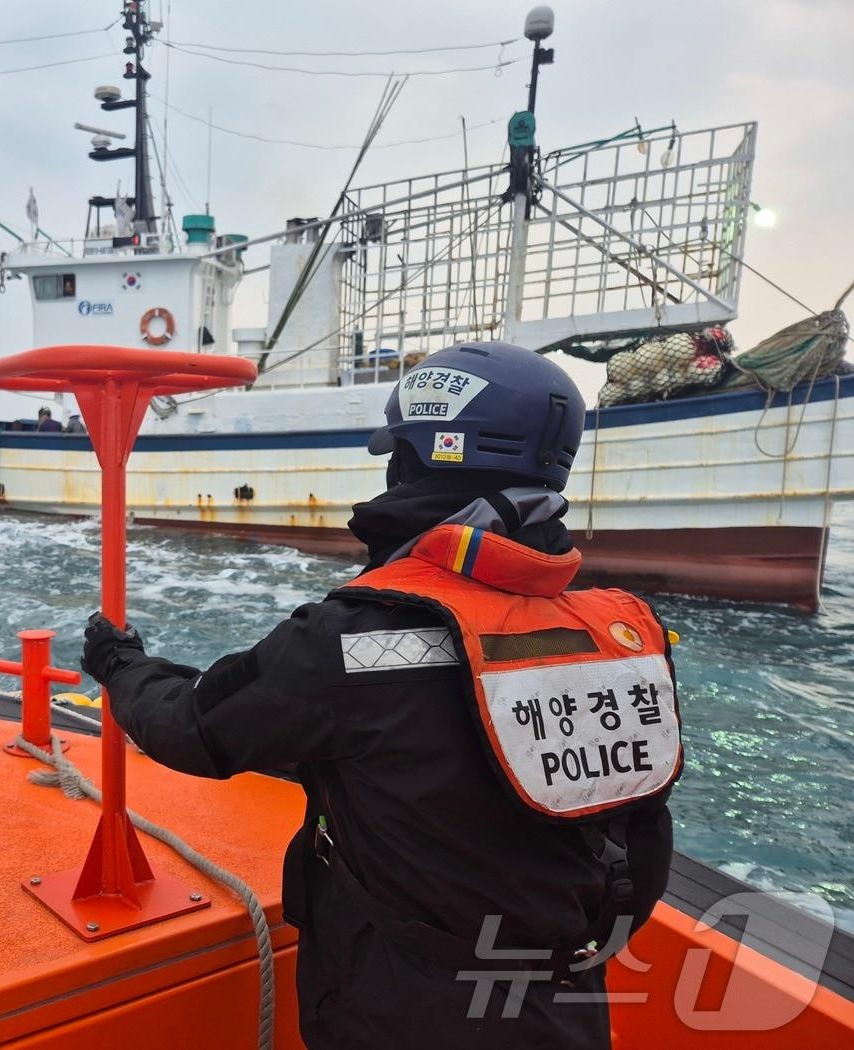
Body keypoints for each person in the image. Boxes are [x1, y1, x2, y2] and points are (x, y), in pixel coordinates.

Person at [81, 343, 682, 1050]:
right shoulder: (621, 634)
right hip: (563, 1002)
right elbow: (636, 837)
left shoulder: (351, 640)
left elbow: (193, 728)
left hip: (403, 1007)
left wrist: (123, 666)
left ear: (418, 461)